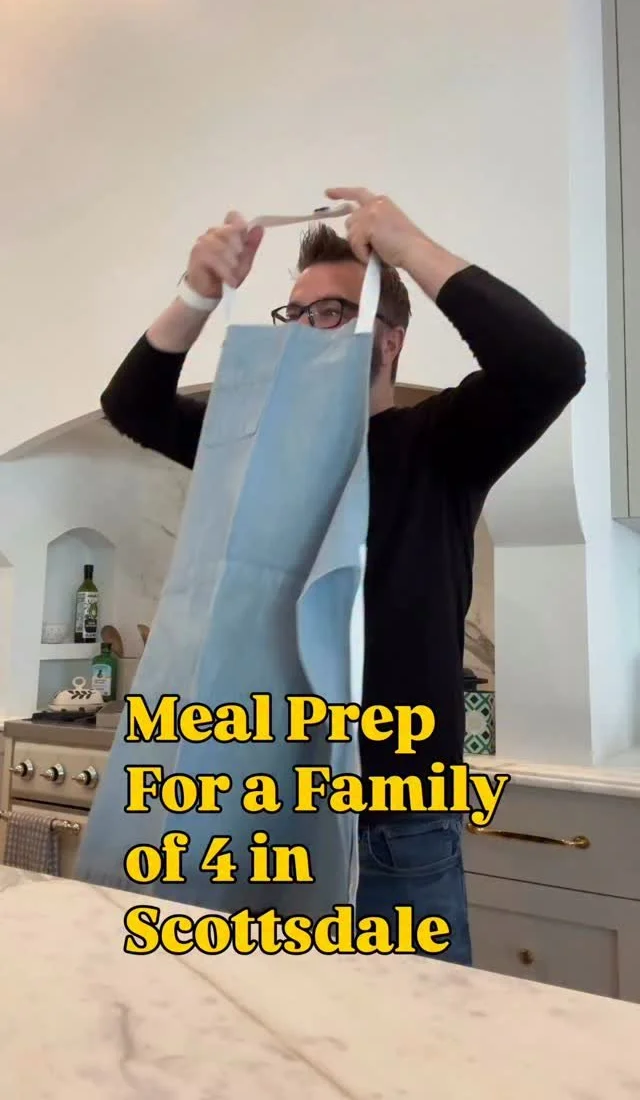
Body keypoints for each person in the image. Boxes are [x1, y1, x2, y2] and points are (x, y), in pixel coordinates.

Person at [101, 186, 586, 966]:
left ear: (386, 341)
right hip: (260, 806)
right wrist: (198, 291)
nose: (303, 332)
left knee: (406, 1038)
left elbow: (549, 366)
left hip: (395, 826)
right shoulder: (253, 452)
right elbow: (132, 404)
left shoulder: (440, 445)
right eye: (293, 316)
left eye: (330, 314)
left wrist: (408, 247)